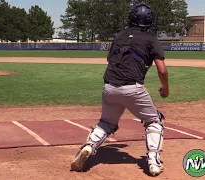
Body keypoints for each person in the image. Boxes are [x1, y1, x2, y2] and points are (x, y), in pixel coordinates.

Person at [70, 2, 169, 177]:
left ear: (130, 18)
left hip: (109, 87)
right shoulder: (151, 39)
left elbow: (109, 58)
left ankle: (88, 147)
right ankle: (153, 162)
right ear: (150, 21)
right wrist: (165, 89)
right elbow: (162, 69)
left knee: (106, 123)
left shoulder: (120, 35)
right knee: (155, 120)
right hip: (133, 88)